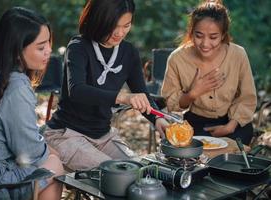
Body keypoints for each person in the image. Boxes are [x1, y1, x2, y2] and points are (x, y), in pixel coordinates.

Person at [44, 0, 169, 171]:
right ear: (98, 21)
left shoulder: (129, 52)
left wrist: (158, 118)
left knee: (141, 171)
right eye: (113, 26)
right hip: (66, 134)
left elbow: (141, 93)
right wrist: (123, 97)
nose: (119, 32)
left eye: (126, 25)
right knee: (119, 174)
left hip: (104, 136)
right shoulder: (78, 47)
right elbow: (77, 90)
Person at [0, 7, 64, 200]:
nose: (49, 51)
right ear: (16, 49)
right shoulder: (16, 84)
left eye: (48, 42)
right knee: (54, 164)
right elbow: (29, 152)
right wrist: (51, 151)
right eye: (40, 47)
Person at [161, 0, 257, 145]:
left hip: (232, 124)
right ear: (191, 32)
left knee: (233, 151)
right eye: (199, 36)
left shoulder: (238, 55)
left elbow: (247, 97)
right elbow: (171, 103)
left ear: (223, 35)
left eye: (213, 37)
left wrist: (230, 127)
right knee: (194, 152)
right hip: (195, 124)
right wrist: (194, 93)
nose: (205, 44)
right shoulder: (177, 59)